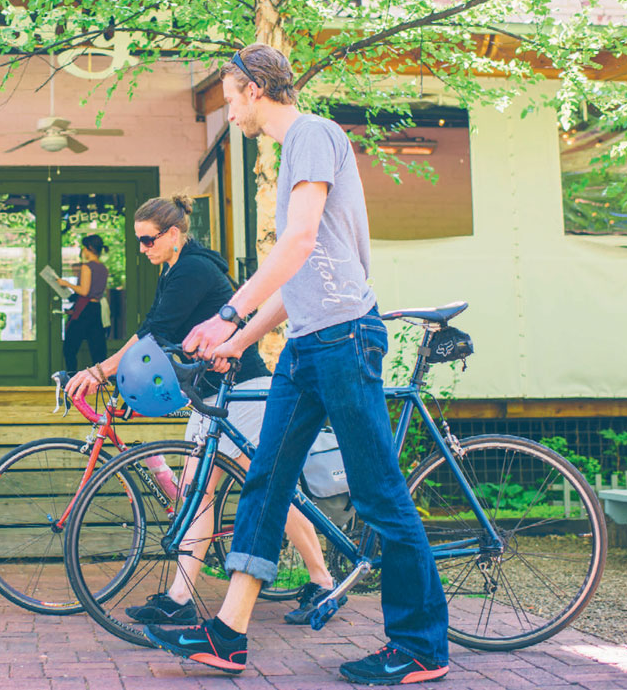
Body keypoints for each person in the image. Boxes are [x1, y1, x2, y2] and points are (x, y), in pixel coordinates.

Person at [142, 44, 450, 684]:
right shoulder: (292, 157)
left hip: (344, 337)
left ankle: (421, 646)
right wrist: (236, 339)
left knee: (377, 491)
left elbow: (301, 242)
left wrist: (228, 314)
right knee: (266, 480)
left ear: (253, 89)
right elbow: (295, 277)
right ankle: (228, 633)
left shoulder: (312, 134)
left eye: (230, 96)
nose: (229, 109)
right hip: (309, 343)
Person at [65, 194, 339, 628]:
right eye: (138, 242)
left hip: (244, 390)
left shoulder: (191, 269)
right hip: (214, 394)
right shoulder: (175, 268)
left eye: (148, 240)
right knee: (231, 490)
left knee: (222, 489)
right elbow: (167, 343)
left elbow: (153, 335)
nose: (143, 250)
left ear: (173, 234)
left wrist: (101, 371)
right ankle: (193, 594)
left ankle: (312, 582)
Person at [58, 234, 109, 373]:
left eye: (84, 248)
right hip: (95, 308)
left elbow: (84, 291)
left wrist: (65, 283)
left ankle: (71, 380)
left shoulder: (87, 267)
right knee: (97, 349)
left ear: (89, 248)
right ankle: (101, 381)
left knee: (69, 348)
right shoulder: (103, 268)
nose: (83, 252)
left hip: (85, 310)